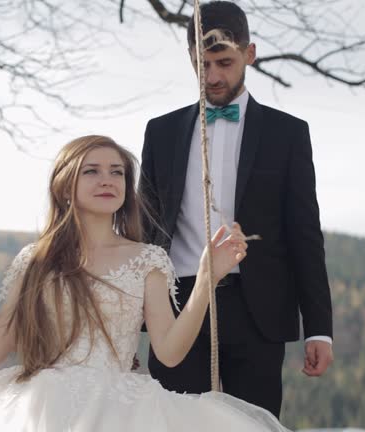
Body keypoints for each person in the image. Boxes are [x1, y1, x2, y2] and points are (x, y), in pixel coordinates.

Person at [0, 135, 290, 431]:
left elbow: (167, 351)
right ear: (66, 184)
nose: (108, 180)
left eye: (117, 173)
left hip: (122, 404)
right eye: (92, 170)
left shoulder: (148, 258)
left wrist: (207, 277)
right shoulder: (38, 260)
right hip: (36, 402)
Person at [139, 1, 334, 418]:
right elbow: (145, 232)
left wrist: (318, 327)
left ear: (250, 53)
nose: (211, 76)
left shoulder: (289, 134)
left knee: (254, 425)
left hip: (258, 307)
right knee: (173, 424)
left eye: (223, 62)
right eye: (201, 64)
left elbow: (304, 234)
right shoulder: (161, 132)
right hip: (177, 305)